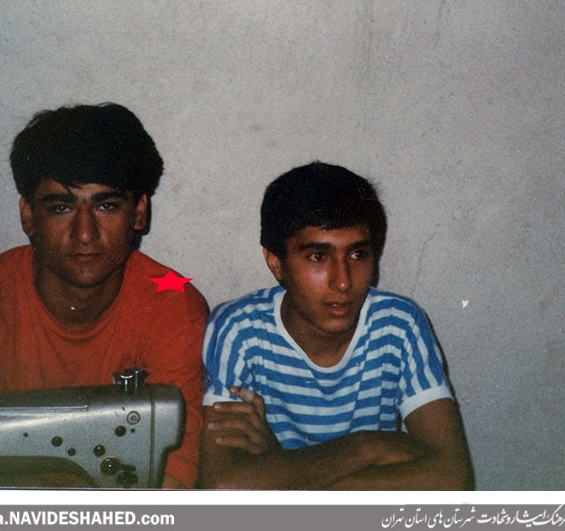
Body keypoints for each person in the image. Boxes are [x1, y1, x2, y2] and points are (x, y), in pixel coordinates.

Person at [0, 103, 208, 489]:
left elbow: (170, 487)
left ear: (139, 212)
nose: (85, 233)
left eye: (107, 206)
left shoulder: (174, 304)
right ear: (28, 215)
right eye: (61, 208)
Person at [200, 162, 474, 490]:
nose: (343, 282)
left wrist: (280, 470)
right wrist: (366, 447)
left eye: (357, 254)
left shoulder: (398, 325)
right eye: (318, 257)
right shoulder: (240, 329)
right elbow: (222, 486)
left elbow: (453, 478)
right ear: (276, 263)